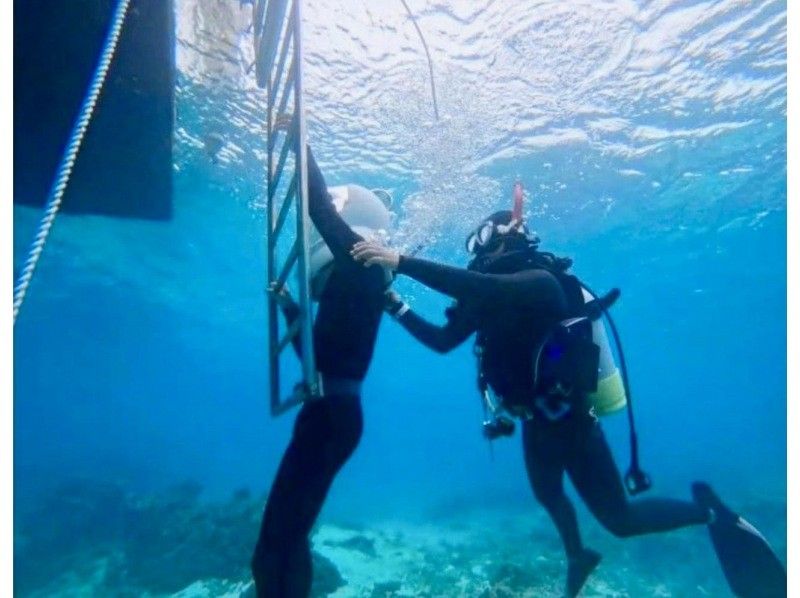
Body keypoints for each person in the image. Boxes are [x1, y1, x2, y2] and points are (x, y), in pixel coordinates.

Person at [350, 204, 786, 597]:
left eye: (483, 238)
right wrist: (394, 304)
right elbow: (444, 340)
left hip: (574, 424)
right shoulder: (484, 297)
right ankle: (578, 556)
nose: (478, 251)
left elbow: (483, 287)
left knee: (620, 521)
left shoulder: (541, 283)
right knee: (548, 495)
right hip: (533, 424)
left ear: (508, 235)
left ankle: (711, 513)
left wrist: (400, 262)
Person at [250, 137, 392, 597]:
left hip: (330, 418)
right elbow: (323, 356)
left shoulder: (360, 266)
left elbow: (321, 209)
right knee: (284, 541)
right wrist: (292, 310)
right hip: (330, 414)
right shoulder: (360, 282)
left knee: (277, 546)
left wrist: (301, 142)